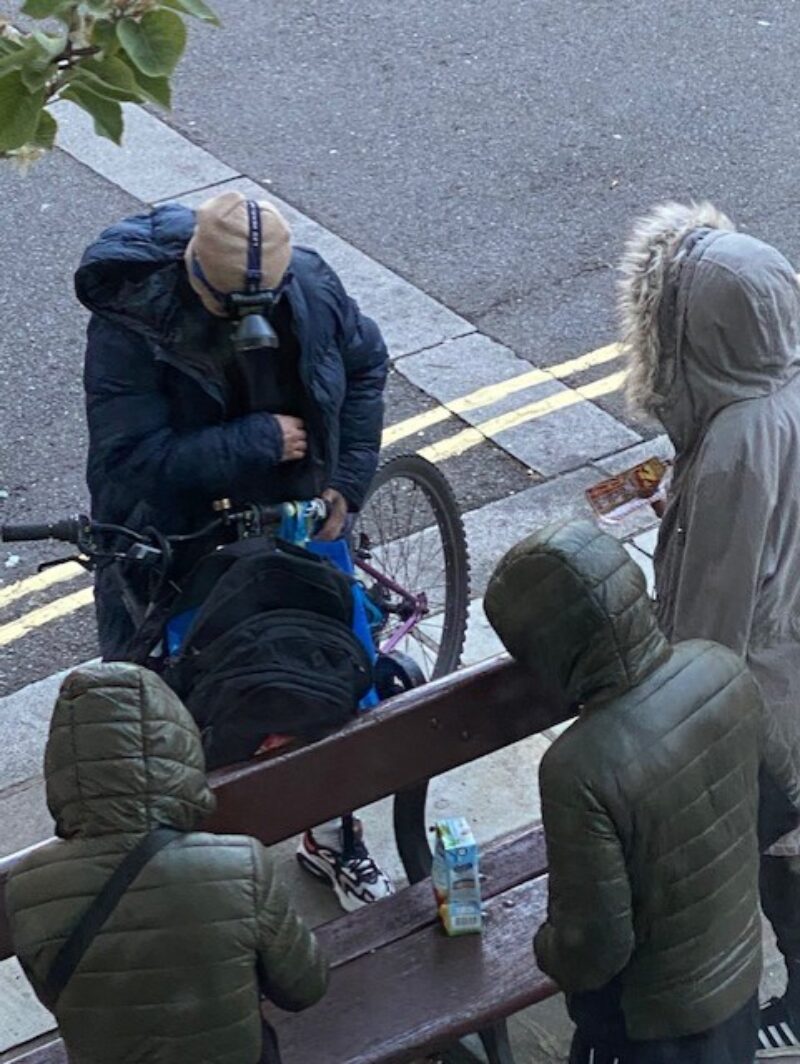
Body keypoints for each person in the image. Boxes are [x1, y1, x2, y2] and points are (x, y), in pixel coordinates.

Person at [74, 190, 393, 911]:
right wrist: (257, 440)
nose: (253, 323)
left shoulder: (308, 285)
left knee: (330, 678)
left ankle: (335, 836)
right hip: (177, 540)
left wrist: (346, 482)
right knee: (177, 714)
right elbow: (128, 459)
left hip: (295, 518)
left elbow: (368, 366)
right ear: (193, 271)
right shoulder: (132, 321)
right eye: (232, 307)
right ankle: (203, 880)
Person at [484, 518, 800, 1063]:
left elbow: (594, 950)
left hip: (649, 1025)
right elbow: (780, 803)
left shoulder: (578, 767)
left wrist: (544, 947)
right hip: (736, 978)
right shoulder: (721, 667)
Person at [619, 200, 800, 1054]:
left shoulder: (734, 444)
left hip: (768, 710)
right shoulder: (784, 397)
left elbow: (709, 619)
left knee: (771, 867)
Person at [4, 662, 328, 1064]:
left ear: (63, 769)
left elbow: (61, 999)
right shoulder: (240, 864)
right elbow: (304, 987)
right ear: (180, 754)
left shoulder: (25, 887)